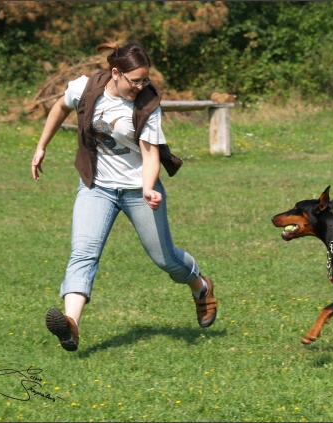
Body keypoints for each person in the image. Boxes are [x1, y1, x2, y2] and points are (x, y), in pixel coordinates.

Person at [31, 41, 217, 352]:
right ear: (115, 73)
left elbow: (150, 153)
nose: (142, 86)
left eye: (146, 79)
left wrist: (148, 187)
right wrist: (41, 146)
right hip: (97, 187)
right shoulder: (85, 88)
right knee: (83, 253)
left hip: (138, 189)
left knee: (165, 259)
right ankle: (71, 325)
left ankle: (201, 286)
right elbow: (60, 107)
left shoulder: (146, 104)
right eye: (136, 80)